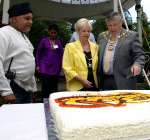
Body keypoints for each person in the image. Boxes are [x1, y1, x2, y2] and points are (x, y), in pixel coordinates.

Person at [97, 12, 145, 90]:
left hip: (124, 81)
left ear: (121, 23)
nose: (112, 28)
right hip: (104, 81)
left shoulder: (131, 36)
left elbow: (140, 55)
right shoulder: (101, 36)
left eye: (115, 25)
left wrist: (137, 65)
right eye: (109, 25)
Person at [0, 2, 37, 103]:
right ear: (14, 19)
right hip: (13, 88)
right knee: (13, 118)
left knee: (26, 118)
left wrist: (33, 88)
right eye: (27, 18)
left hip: (26, 89)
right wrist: (6, 91)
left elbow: (28, 62)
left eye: (31, 19)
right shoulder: (3, 33)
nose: (31, 22)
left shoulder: (24, 36)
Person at [63, 18, 98, 91]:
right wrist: (82, 80)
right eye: (84, 31)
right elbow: (67, 68)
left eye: (88, 31)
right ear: (78, 31)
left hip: (93, 85)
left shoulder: (95, 47)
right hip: (77, 86)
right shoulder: (70, 47)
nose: (86, 33)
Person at [36, 24, 63, 98]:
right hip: (45, 68)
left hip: (55, 69)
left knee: (54, 88)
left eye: (55, 33)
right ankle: (44, 104)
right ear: (49, 32)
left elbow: (61, 54)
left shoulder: (58, 42)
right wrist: (38, 65)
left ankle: (53, 103)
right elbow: (38, 53)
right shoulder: (44, 41)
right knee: (45, 88)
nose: (53, 34)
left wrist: (61, 66)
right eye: (52, 32)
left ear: (57, 33)